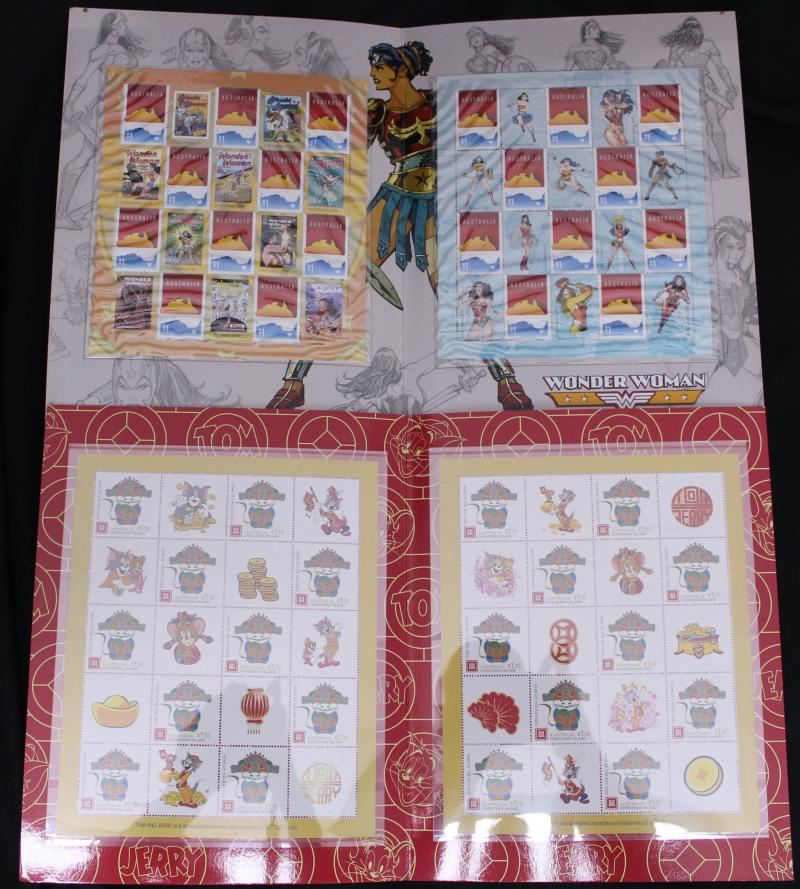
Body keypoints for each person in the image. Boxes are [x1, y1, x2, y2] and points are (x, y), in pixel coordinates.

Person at [266, 40, 532, 411]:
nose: (373, 73)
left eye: (380, 67)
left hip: (438, 203)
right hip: (393, 199)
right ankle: (293, 382)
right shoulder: (377, 110)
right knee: (336, 284)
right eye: (373, 66)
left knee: (463, 292)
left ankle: (506, 380)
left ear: (401, 70)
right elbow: (346, 148)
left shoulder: (437, 101)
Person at [57, 12, 146, 229]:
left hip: (119, 110)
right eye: (120, 23)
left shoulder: (120, 49)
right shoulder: (101, 51)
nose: (124, 26)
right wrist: (69, 105)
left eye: (124, 22)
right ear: (111, 27)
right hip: (104, 113)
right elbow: (82, 81)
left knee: (95, 157)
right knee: (91, 158)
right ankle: (61, 215)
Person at [658, 16, 739, 178]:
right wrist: (730, 86)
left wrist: (730, 87)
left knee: (706, 125)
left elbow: (670, 72)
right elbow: (721, 69)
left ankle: (720, 167)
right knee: (709, 124)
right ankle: (720, 168)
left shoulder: (680, 47)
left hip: (696, 87)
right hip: (695, 88)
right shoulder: (704, 45)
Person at [465, 27, 535, 73]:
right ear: (470, 42)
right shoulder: (474, 57)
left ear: (484, 38)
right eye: (472, 37)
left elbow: (505, 60)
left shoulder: (488, 48)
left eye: (478, 35)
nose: (475, 38)